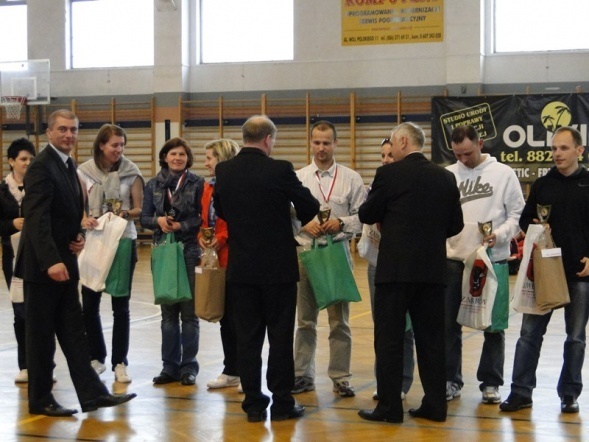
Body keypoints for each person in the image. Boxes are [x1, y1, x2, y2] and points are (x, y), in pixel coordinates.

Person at [14, 109, 136, 416]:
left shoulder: (67, 164)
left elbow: (66, 211)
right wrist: (51, 261)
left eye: (74, 130)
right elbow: (37, 218)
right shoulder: (42, 166)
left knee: (74, 333)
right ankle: (40, 400)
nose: (69, 135)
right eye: (63, 129)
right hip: (45, 268)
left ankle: (93, 395)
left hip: (66, 261)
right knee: (41, 337)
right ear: (49, 133)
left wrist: (77, 235)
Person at [213, 115, 319, 422]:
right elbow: (309, 206)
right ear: (268, 140)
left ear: (244, 137)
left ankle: (254, 406)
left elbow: (221, 209)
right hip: (278, 269)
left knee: (247, 338)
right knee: (280, 337)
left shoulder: (225, 170)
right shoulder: (280, 169)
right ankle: (283, 403)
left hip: (241, 268)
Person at [358, 122, 463, 423]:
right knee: (432, 339)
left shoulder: (388, 174)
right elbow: (454, 225)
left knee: (389, 338)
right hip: (432, 271)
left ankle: (390, 408)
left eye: (391, 143)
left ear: (403, 141)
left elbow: (367, 213)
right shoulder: (445, 177)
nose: (390, 149)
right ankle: (435, 405)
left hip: (395, 271)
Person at [500, 126, 589, 414]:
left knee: (575, 338)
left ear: (579, 150)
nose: (557, 154)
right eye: (554, 148)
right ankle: (520, 392)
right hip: (544, 271)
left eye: (563, 148)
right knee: (528, 334)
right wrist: (538, 229)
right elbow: (527, 220)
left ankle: (569, 394)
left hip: (580, 273)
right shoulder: (542, 185)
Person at [444, 125, 524, 404]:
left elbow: (517, 215)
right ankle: (450, 380)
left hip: (492, 259)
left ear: (481, 143)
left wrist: (500, 235)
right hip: (454, 260)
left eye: (467, 153)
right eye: (457, 154)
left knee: (494, 326)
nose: (463, 159)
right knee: (448, 324)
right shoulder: (448, 174)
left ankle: (490, 383)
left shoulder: (503, 174)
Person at [292, 120, 365, 398]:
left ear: (336, 143)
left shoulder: (351, 178)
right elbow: (288, 217)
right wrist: (302, 226)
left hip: (336, 253)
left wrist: (341, 223)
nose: (321, 148)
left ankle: (341, 377)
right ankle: (302, 375)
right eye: (317, 142)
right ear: (310, 143)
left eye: (326, 142)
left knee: (339, 322)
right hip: (306, 254)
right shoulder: (298, 178)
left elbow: (363, 218)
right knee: (305, 320)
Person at [78, 124, 144, 384]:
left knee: (121, 306)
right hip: (94, 241)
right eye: (114, 145)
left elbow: (139, 208)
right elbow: (78, 206)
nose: (119, 149)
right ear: (101, 146)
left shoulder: (131, 172)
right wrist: (83, 218)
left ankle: (120, 362)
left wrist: (126, 214)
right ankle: (97, 357)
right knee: (90, 304)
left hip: (123, 240)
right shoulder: (84, 172)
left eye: (122, 145)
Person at [140, 137, 204, 386]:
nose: (177, 158)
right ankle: (169, 366)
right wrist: (158, 222)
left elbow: (202, 217)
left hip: (189, 250)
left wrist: (181, 225)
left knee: (189, 314)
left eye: (182, 154)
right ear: (165, 157)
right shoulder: (153, 184)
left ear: (188, 158)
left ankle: (189, 367)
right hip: (162, 250)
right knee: (168, 315)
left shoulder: (197, 183)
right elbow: (144, 217)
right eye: (173, 154)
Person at [363, 137, 415, 402]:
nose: (385, 160)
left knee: (405, 328)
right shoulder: (376, 185)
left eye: (390, 155)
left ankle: (403, 382)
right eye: (382, 156)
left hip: (403, 264)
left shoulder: (407, 186)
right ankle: (384, 381)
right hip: (376, 263)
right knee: (382, 327)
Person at [198, 138, 242, 391]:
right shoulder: (206, 188)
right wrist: (203, 240)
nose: (206, 163)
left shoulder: (236, 186)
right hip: (213, 259)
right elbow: (203, 220)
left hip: (234, 257)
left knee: (239, 317)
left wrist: (221, 239)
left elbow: (236, 221)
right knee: (224, 317)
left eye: (210, 158)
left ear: (222, 158)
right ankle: (231, 370)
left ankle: (246, 370)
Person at [0, 138, 35, 383]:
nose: (27, 163)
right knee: (20, 311)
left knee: (40, 312)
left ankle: (44, 363)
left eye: (31, 159)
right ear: (11, 161)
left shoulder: (39, 186)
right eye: (23, 159)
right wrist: (11, 224)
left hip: (38, 257)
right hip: (12, 258)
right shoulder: (2, 190)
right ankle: (25, 365)